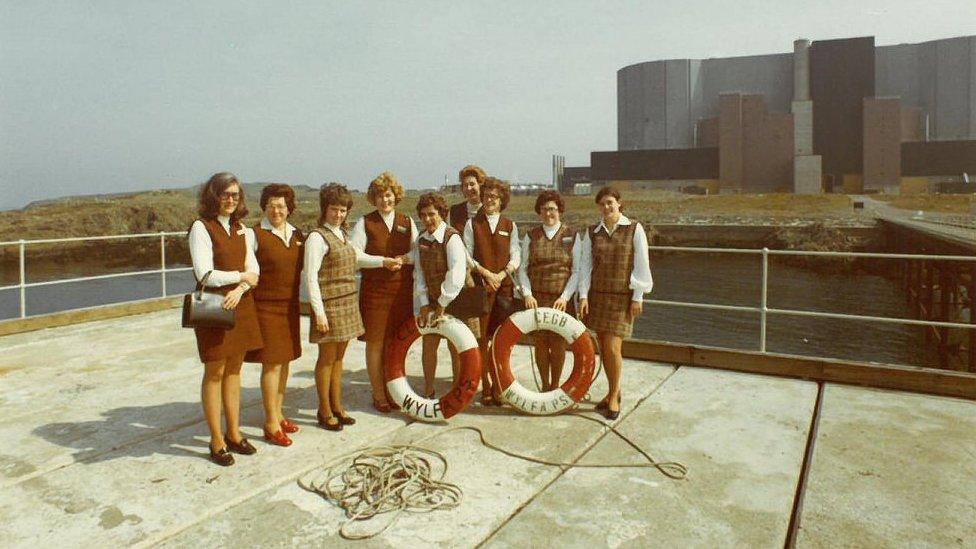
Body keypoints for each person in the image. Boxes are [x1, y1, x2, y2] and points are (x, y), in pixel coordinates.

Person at [304, 183, 396, 431]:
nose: (338, 214)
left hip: (346, 301)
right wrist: (319, 313)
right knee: (326, 359)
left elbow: (358, 258)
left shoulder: (343, 234)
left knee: (338, 359)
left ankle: (337, 405)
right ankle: (324, 410)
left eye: (343, 210)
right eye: (334, 209)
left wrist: (383, 262)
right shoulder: (316, 237)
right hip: (329, 306)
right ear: (324, 209)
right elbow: (310, 277)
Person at [188, 172, 262, 466]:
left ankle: (234, 432)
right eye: (225, 194)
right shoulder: (201, 228)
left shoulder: (242, 229)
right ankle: (216, 440)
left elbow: (253, 271)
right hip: (215, 307)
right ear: (213, 196)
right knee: (215, 372)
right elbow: (204, 274)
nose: (231, 200)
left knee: (234, 371)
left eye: (235, 195)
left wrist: (241, 288)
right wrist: (239, 279)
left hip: (240, 304)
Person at [578, 186, 653, 420]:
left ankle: (613, 397)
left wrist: (638, 296)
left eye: (610, 202)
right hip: (598, 296)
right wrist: (582, 295)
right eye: (602, 204)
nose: (607, 207)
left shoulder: (634, 229)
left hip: (622, 298)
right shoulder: (593, 232)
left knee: (613, 348)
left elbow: (641, 263)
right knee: (604, 348)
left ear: (619, 204)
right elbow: (585, 267)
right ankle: (614, 391)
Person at [349, 172, 417, 413]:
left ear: (395, 196)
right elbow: (355, 255)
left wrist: (405, 258)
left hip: (401, 291)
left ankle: (394, 390)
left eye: (387, 195)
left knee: (396, 343)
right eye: (379, 196)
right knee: (375, 343)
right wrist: (382, 262)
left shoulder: (407, 221)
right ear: (373, 199)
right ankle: (379, 394)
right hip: (375, 292)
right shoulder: (364, 222)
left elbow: (417, 252)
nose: (384, 200)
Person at [243, 184, 303, 447]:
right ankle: (270, 422)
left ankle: (279, 413)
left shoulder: (297, 234)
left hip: (289, 307)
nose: (276, 210)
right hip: (265, 308)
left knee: (286, 360)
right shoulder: (254, 235)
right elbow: (245, 268)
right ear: (264, 207)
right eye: (271, 206)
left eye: (281, 206)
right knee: (272, 364)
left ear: (289, 209)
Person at [411, 192, 476, 397]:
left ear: (442, 214)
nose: (427, 219)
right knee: (429, 344)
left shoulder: (452, 237)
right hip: (432, 298)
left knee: (455, 345)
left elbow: (456, 274)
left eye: (432, 214)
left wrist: (442, 303)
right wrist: (423, 302)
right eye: (423, 215)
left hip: (457, 297)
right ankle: (428, 389)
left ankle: (457, 390)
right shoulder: (421, 239)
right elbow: (419, 273)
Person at [464, 177, 521, 405]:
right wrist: (486, 273)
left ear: (502, 200)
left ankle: (500, 385)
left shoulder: (510, 225)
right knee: (482, 339)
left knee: (501, 339)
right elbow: (467, 255)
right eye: (487, 196)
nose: (490, 200)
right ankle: (485, 385)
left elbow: (516, 253)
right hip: (481, 288)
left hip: (504, 289)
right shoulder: (472, 224)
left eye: (495, 197)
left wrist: (503, 273)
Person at [518, 190, 582, 391]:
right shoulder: (531, 236)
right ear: (539, 212)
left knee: (558, 343)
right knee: (540, 343)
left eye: (552, 209)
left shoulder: (572, 235)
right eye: (544, 209)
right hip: (537, 298)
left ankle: (555, 386)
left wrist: (565, 297)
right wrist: (527, 294)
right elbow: (523, 268)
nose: (548, 213)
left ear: (559, 210)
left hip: (560, 300)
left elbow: (577, 270)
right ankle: (544, 385)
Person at [448, 164, 485, 233]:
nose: (469, 188)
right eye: (465, 185)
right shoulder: (454, 211)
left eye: (472, 184)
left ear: (480, 185)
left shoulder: (489, 210)